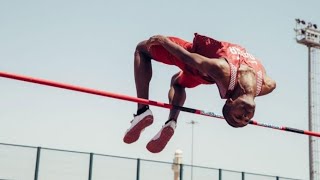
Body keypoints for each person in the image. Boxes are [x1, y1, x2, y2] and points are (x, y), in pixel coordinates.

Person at [123, 33, 276, 153]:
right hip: (205, 73)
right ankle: (171, 122)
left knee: (142, 49)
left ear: (230, 101)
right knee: (177, 82)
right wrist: (164, 42)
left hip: (198, 64)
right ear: (230, 101)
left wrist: (164, 42)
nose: (244, 117)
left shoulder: (231, 73)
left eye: (239, 118)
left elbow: (188, 58)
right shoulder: (266, 85)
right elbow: (191, 59)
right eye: (245, 119)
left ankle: (142, 110)